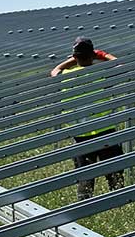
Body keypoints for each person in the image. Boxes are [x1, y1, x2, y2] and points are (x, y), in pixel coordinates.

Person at [51, 38, 125, 199]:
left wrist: (72, 59)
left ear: (75, 57)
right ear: (93, 55)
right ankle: (119, 203)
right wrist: (102, 55)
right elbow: (121, 65)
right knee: (116, 176)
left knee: (84, 178)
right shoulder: (103, 72)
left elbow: (55, 70)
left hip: (80, 135)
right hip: (106, 131)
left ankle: (85, 207)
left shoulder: (66, 76)